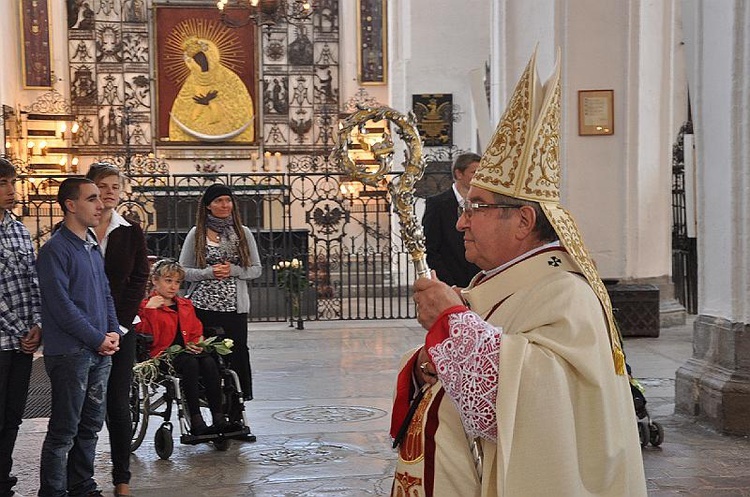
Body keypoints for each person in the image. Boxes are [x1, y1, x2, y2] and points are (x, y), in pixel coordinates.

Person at [391, 50, 647, 496]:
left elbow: (540, 403)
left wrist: (452, 325)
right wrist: (429, 362)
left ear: (524, 221)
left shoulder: (565, 293)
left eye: (476, 208)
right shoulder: (499, 284)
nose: (460, 222)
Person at [37, 178, 121, 497]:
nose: (101, 204)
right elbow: (61, 306)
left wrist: (112, 331)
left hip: (99, 351)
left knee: (90, 428)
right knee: (64, 432)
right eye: (92, 199)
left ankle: (82, 486)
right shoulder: (54, 250)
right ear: (71, 205)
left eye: (100, 198)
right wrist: (97, 337)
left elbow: (105, 293)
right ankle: (54, 492)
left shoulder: (90, 245)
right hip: (71, 353)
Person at [85, 163, 149, 497]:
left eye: (115, 186)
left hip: (122, 328)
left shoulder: (130, 230)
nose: (109, 192)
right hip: (83, 329)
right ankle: (80, 478)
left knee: (118, 404)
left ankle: (121, 477)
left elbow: (139, 279)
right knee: (83, 406)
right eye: (102, 186)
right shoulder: (75, 228)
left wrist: (119, 326)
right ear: (90, 189)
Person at [179, 183, 262, 401]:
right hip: (203, 307)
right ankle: (213, 406)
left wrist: (233, 270)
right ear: (208, 206)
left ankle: (236, 407)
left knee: (237, 354)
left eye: (228, 200)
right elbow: (183, 271)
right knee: (208, 357)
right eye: (218, 201)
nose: (224, 205)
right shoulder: (196, 234)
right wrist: (208, 272)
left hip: (234, 308)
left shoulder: (242, 233)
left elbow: (255, 269)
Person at [136, 259, 225, 435]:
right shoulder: (145, 306)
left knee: (209, 362)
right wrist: (150, 310)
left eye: (177, 282)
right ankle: (196, 419)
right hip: (162, 356)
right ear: (155, 280)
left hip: (187, 353)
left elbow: (195, 329)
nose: (173, 286)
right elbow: (147, 336)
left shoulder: (185, 305)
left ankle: (219, 417)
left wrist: (197, 343)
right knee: (190, 364)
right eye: (168, 281)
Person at [0, 158, 42, 497]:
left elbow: (32, 281)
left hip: (23, 340)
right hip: (3, 338)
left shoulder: (17, 227)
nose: (11, 191)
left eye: (12, 182)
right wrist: (20, 330)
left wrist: (37, 324)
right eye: (3, 184)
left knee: (14, 414)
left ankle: (3, 474)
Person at [422, 153, 481, 288]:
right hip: (451, 282)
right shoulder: (437, 204)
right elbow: (431, 249)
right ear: (459, 174)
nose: (479, 177)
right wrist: (450, 284)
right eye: (474, 172)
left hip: (479, 282)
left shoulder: (483, 203)